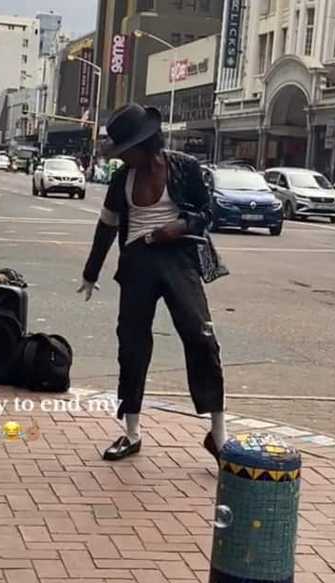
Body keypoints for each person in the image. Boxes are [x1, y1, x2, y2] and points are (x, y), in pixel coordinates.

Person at [77, 103, 226, 462]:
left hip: (178, 258)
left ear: (145, 144)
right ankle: (132, 432)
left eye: (126, 150)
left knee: (201, 337)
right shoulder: (121, 179)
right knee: (132, 344)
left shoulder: (184, 168)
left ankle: (218, 435)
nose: (122, 157)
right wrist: (91, 272)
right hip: (137, 261)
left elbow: (208, 213)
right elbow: (107, 226)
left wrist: (178, 227)